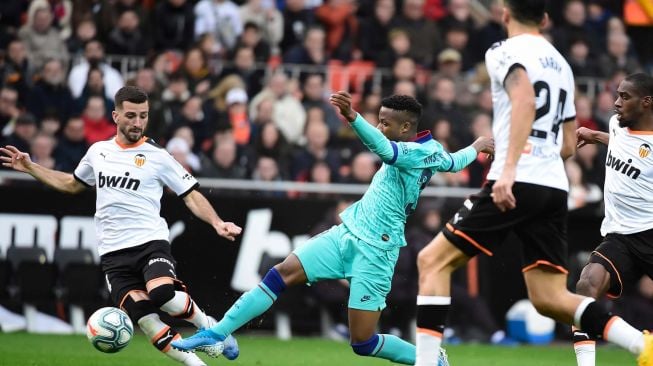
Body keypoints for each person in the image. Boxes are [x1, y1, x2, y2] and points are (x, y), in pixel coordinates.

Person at [171, 91, 494, 364]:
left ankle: (431, 360)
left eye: (386, 123)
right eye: (378, 120)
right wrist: (477, 146)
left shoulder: (413, 153)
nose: (380, 126)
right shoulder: (434, 149)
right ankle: (216, 332)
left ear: (407, 127)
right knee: (281, 273)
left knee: (362, 342)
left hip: (377, 252)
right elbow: (455, 161)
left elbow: (384, 150)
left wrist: (353, 117)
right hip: (346, 234)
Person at [413, 2, 653, 366]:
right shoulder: (562, 65)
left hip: (519, 176)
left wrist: (508, 169)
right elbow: (570, 145)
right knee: (551, 298)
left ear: (505, 15)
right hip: (553, 185)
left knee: (431, 262)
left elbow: (524, 98)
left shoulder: (502, 51)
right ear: (544, 19)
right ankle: (641, 345)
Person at [0, 86, 243, 366]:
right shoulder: (98, 152)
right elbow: (71, 184)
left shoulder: (158, 156)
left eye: (143, 116)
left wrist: (217, 222)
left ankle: (210, 327)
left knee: (162, 293)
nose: (138, 123)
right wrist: (32, 168)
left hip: (150, 242)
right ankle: (197, 365)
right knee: (147, 320)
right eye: (131, 115)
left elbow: (190, 194)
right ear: (116, 116)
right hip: (113, 254)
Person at [571, 73, 653, 366]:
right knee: (586, 284)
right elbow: (624, 146)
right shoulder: (617, 124)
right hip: (619, 236)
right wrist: (596, 137)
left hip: (650, 232)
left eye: (625, 97)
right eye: (617, 95)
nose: (616, 103)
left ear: (646, 103)